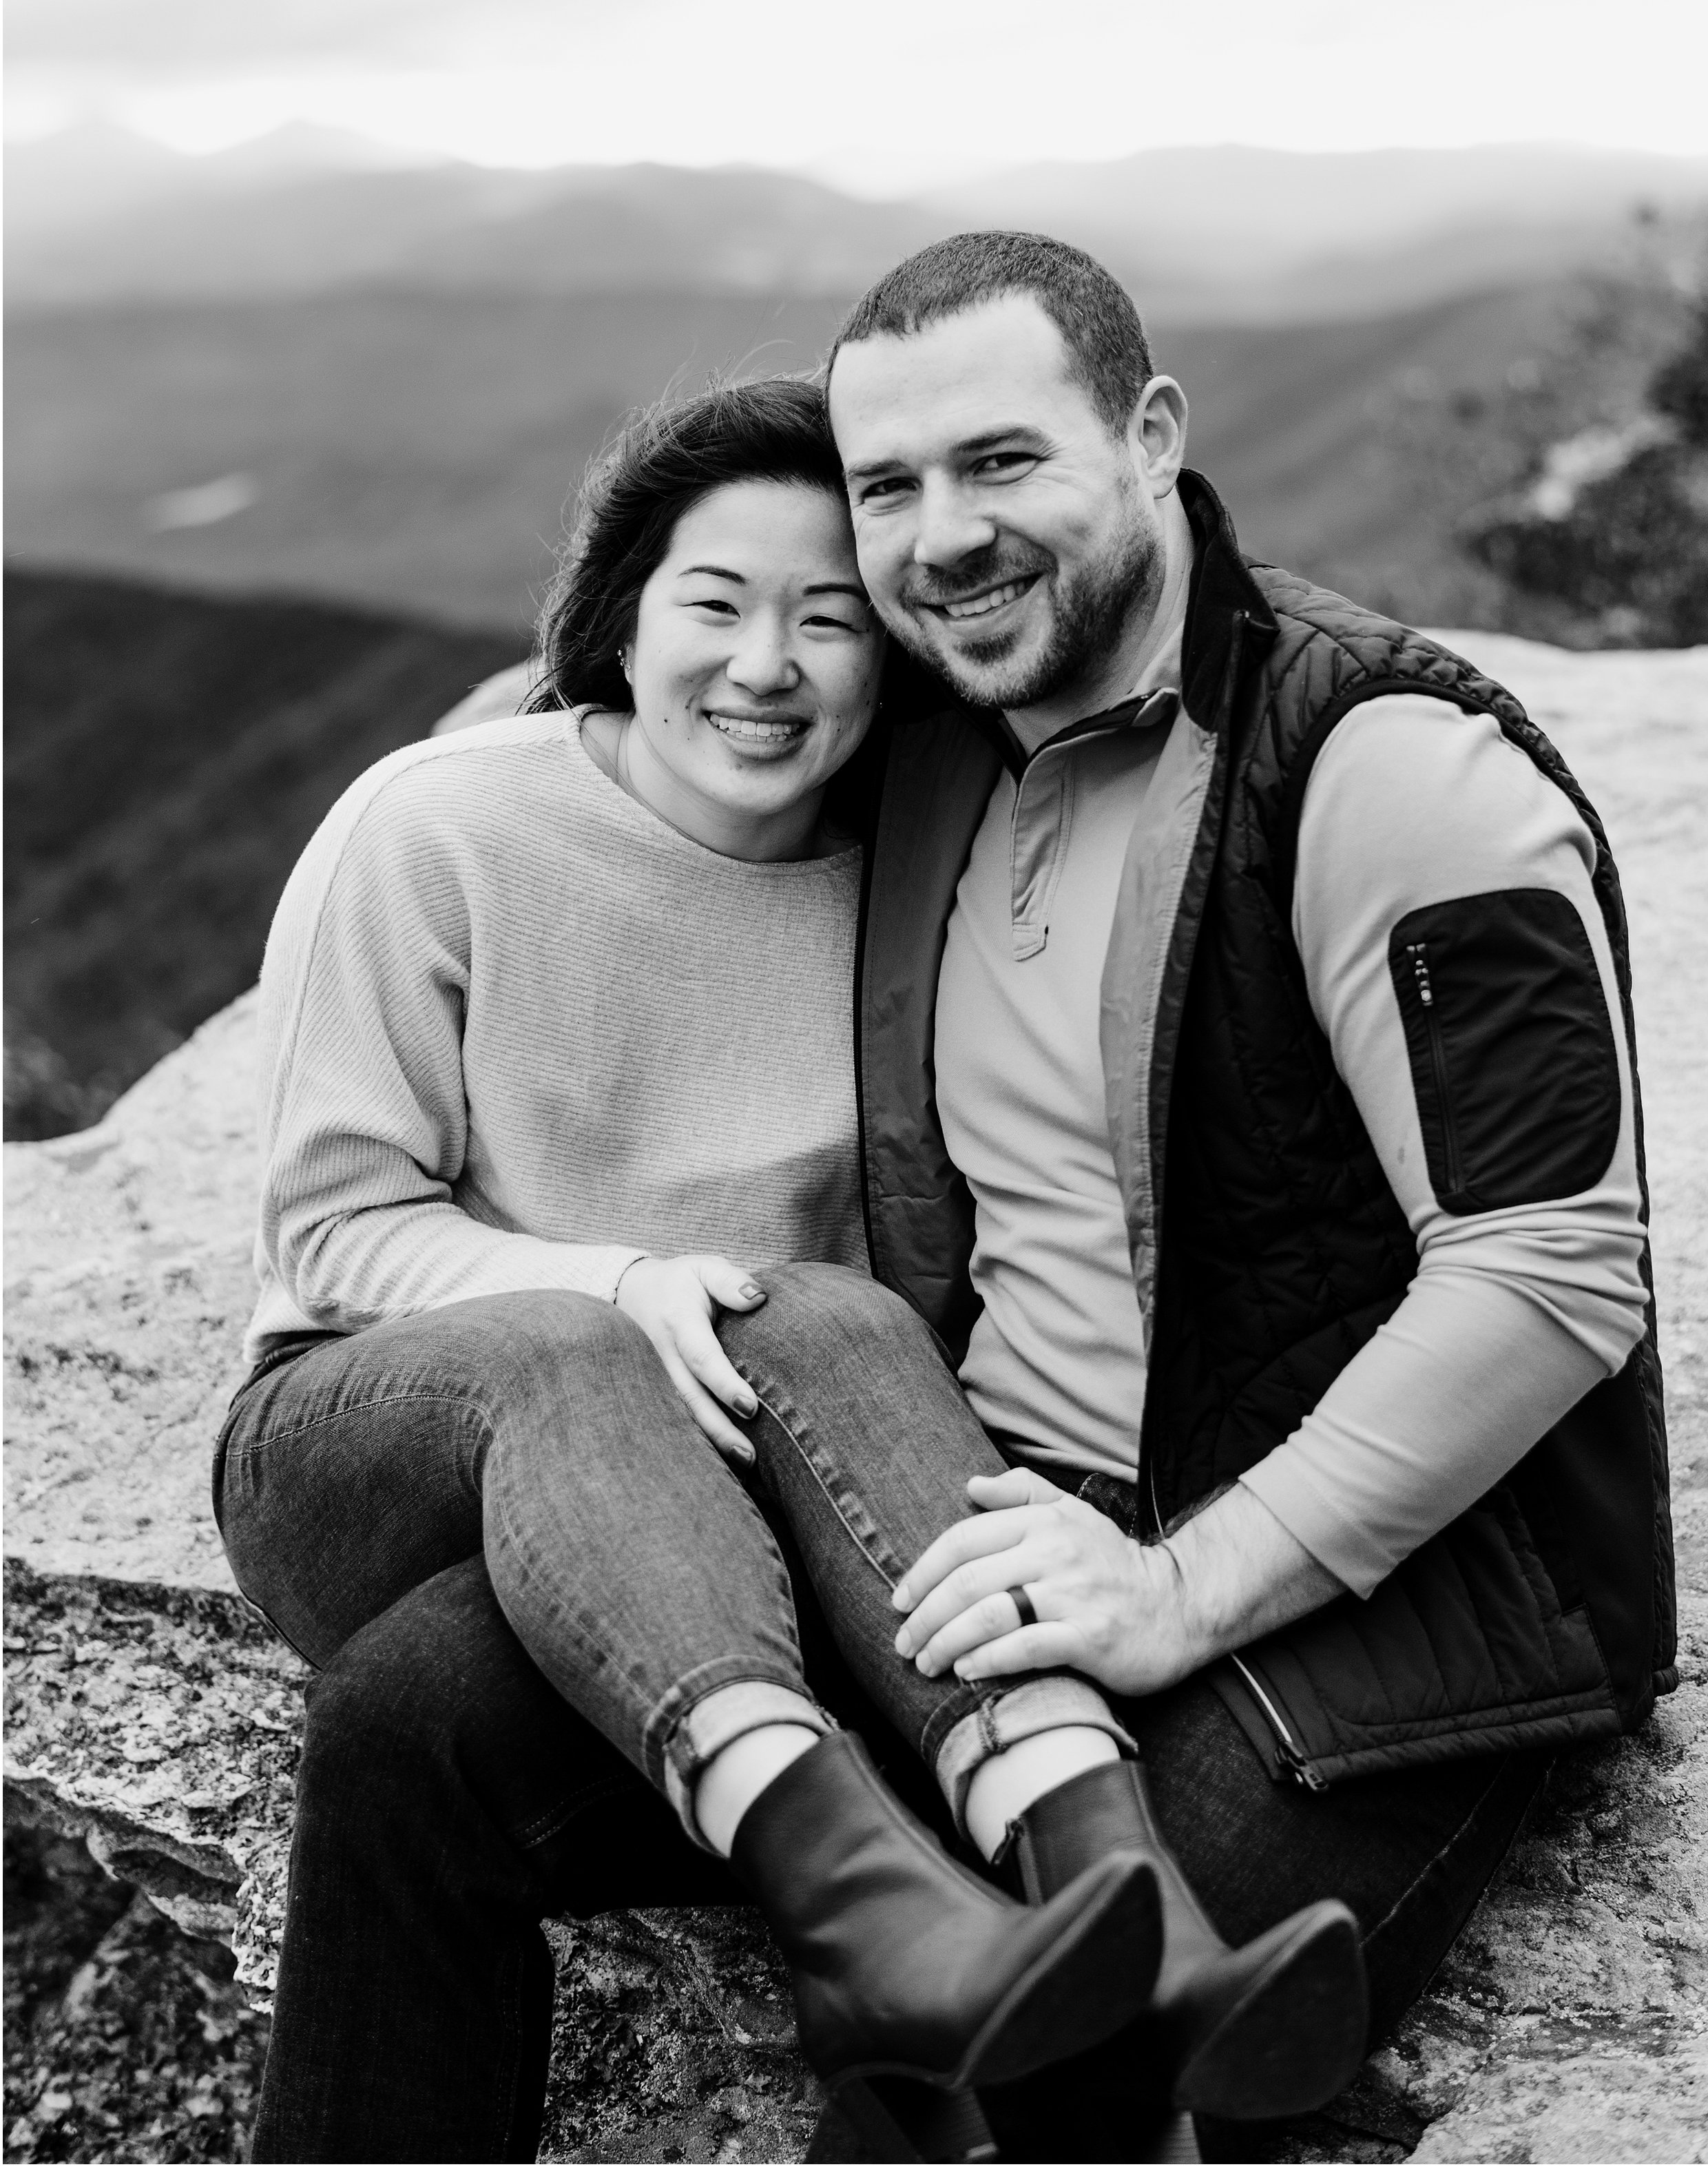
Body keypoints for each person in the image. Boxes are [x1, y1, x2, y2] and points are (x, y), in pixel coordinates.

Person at [216, 373, 1355, 2166]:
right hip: (384, 1436)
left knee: (436, 1695)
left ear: (890, 646)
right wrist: (609, 1282)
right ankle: (866, 1907)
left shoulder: (907, 886)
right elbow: (334, 1230)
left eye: (828, 614)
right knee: (592, 1349)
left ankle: (1125, 1928)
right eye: (714, 602)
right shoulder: (434, 827)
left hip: (698, 1494)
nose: (768, 662)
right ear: (620, 612)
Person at [819, 230, 1673, 2155]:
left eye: (999, 461)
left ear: (1148, 437)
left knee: (1038, 2057)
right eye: (886, 487)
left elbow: (1550, 1266)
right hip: (1005, 1510)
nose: (939, 537)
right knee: (427, 1716)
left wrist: (1179, 1584)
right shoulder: (952, 733)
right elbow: (671, 679)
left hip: (1376, 1587)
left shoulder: (1385, 759)